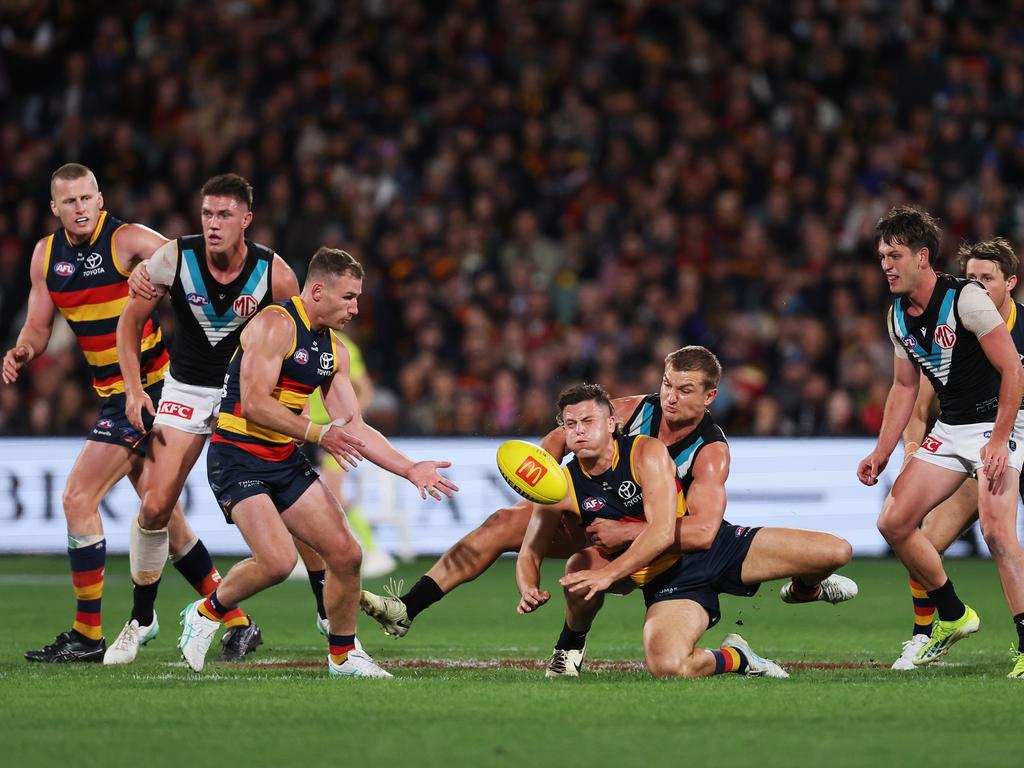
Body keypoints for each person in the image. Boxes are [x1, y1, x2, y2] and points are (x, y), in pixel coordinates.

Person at [362, 346, 855, 657]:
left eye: (685, 391)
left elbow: (702, 532)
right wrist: (534, 475)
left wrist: (629, 533)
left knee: (834, 552)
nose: (670, 398)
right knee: (503, 524)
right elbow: (554, 443)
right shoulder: (624, 412)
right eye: (666, 385)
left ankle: (807, 588)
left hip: (675, 546)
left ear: (710, 397)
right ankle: (407, 607)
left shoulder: (711, 452)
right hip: (605, 525)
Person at [177, 247, 457, 676]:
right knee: (276, 561)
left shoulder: (335, 352)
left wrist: (409, 468)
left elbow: (355, 426)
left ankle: (343, 656)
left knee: (345, 553)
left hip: (282, 459)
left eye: (358, 297)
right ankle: (206, 612)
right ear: (319, 290)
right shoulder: (274, 324)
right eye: (348, 297)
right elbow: (252, 403)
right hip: (236, 457)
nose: (355, 307)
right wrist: (319, 433)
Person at [2, 163, 239, 664]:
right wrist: (23, 350)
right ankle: (236, 618)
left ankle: (87, 633)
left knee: (77, 496)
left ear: (99, 198)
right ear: (55, 209)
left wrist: (156, 280)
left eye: (88, 198)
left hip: (152, 391)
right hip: (116, 392)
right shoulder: (46, 256)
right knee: (164, 516)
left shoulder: (129, 240)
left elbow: (189, 269)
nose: (81, 207)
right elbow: (38, 326)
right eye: (70, 202)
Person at [516, 382, 856, 679]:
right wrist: (528, 585)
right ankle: (738, 657)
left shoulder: (645, 452)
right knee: (668, 665)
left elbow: (664, 531)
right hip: (669, 580)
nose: (578, 431)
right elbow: (531, 548)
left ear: (610, 423)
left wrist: (610, 572)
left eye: (588, 421)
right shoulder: (560, 487)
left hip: (717, 548)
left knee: (837, 552)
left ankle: (805, 588)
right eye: (570, 424)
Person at [113, 173, 300, 664]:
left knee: (300, 503)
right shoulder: (174, 259)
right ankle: (140, 620)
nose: (213, 225)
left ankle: (330, 620)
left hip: (246, 397)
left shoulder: (276, 275)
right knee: (155, 507)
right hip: (187, 390)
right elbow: (129, 323)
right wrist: (134, 390)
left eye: (224, 215)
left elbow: (296, 344)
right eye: (207, 214)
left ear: (246, 220)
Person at [857, 207, 1024, 676]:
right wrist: (882, 450)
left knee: (995, 531)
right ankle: (953, 614)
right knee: (894, 522)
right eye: (881, 256)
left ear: (922, 256)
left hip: (999, 426)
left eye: (895, 255)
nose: (886, 265)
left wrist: (999, 438)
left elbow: (1013, 370)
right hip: (951, 430)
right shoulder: (896, 316)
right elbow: (905, 389)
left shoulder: (966, 300)